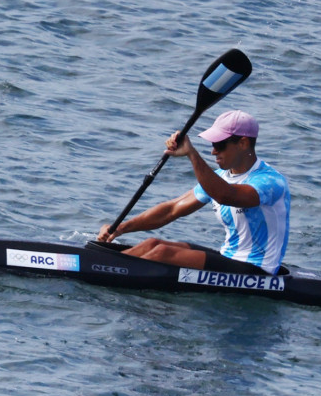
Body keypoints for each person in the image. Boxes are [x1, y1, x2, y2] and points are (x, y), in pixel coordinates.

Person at [96, 109, 291, 275]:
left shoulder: (270, 182)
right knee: (152, 244)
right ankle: (101, 266)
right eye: (212, 144)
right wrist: (121, 228)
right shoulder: (220, 177)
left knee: (163, 253)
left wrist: (191, 154)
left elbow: (227, 196)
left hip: (258, 269)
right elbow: (171, 210)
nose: (213, 151)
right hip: (229, 257)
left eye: (219, 144)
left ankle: (103, 272)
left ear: (243, 143)